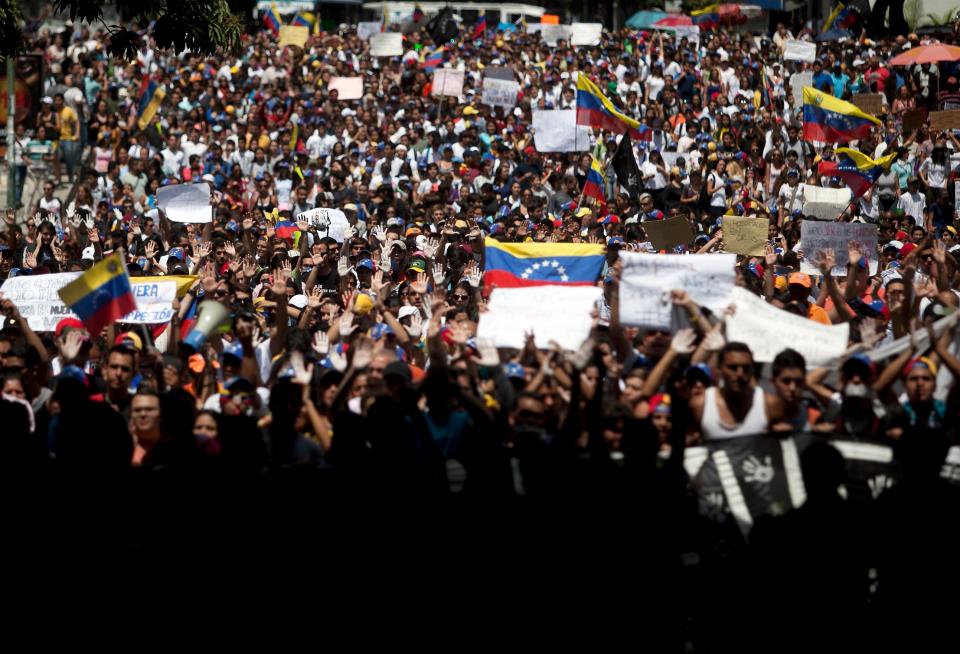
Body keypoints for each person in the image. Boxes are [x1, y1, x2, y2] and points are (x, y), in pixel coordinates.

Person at [689, 342, 781, 439]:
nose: (740, 374)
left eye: (746, 368)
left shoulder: (769, 404)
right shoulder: (700, 405)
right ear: (719, 369)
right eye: (733, 368)